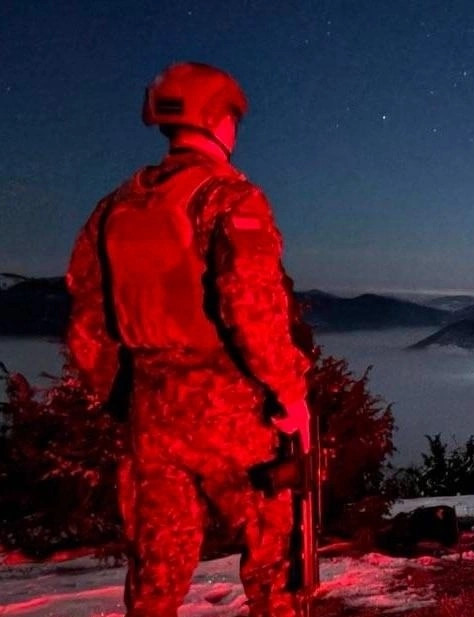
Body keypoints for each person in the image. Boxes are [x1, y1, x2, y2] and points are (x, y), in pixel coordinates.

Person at [65, 62, 313, 617]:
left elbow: (86, 321)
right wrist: (289, 393)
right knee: (277, 564)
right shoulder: (229, 197)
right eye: (232, 119)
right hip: (234, 412)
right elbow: (251, 307)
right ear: (217, 119)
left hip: (151, 414)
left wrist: (126, 399)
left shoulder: (113, 209)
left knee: (157, 570)